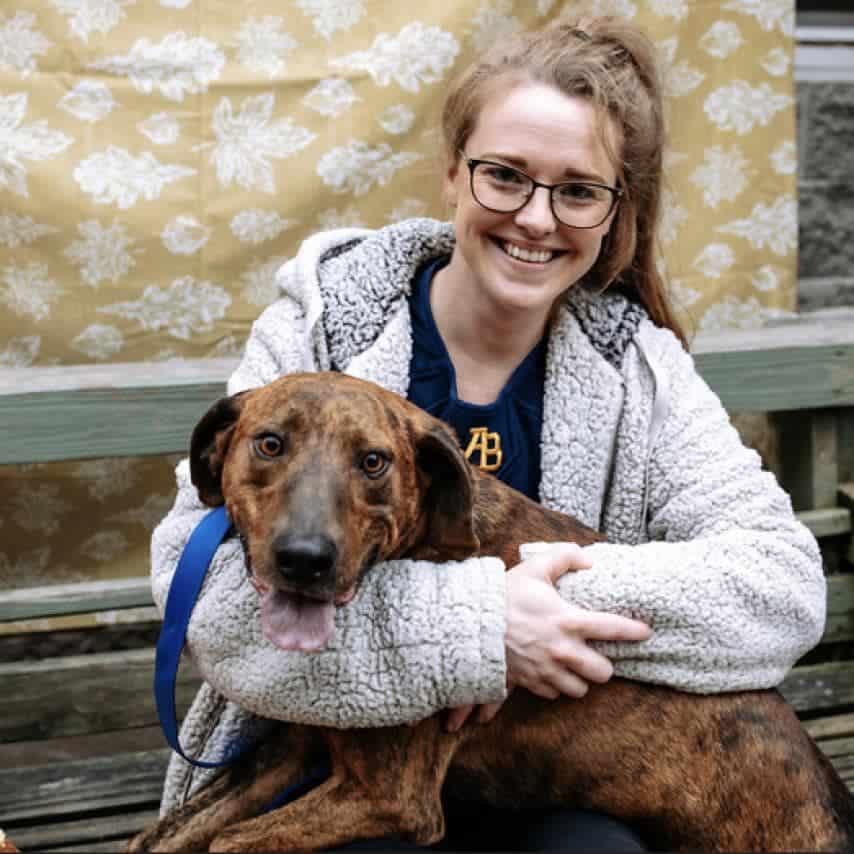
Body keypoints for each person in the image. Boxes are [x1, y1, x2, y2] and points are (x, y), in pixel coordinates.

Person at [150, 14, 826, 851]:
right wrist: (479, 627)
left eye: (577, 190)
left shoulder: (638, 370)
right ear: (452, 174)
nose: (537, 218)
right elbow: (210, 604)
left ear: (618, 210)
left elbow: (782, 589)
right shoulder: (322, 333)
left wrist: (539, 616)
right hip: (330, 758)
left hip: (546, 777)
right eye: (505, 176)